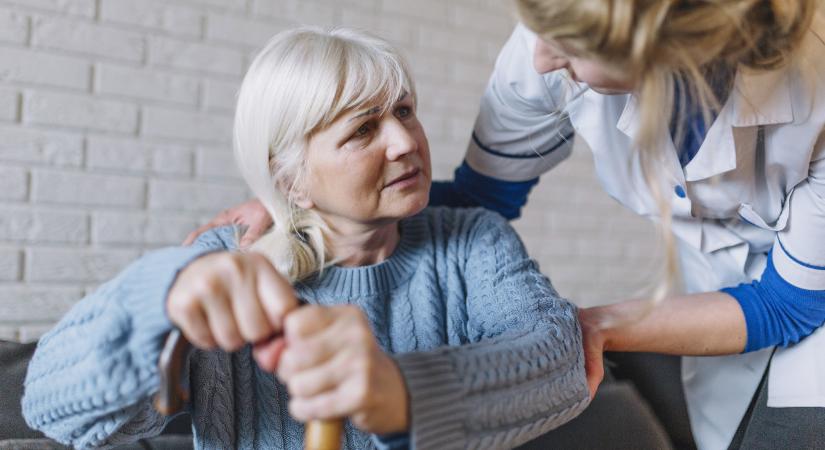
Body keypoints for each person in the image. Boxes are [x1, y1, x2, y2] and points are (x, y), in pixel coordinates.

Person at [191, 2, 825, 449]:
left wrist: (595, 325)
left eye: (404, 113)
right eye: (360, 129)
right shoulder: (544, 44)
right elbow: (479, 196)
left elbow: (788, 304)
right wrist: (298, 211)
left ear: (663, 49)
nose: (542, 54)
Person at [21, 27, 591, 450]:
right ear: (290, 179)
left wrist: (400, 392)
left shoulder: (471, 243)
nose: (404, 141)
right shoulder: (226, 262)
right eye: (363, 129)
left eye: (405, 111)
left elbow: (561, 358)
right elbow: (52, 408)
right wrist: (157, 300)